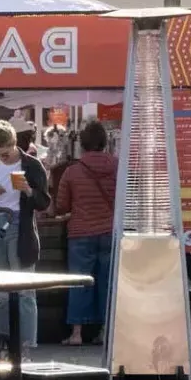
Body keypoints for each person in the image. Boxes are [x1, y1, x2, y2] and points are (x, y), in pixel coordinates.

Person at [0, 120, 51, 351]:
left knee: (25, 290)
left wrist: (27, 190)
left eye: (5, 154)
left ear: (14, 144)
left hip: (20, 226)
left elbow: (44, 202)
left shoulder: (32, 164)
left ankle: (26, 346)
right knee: (1, 293)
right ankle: (5, 346)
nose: (2, 159)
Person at [51, 121, 118, 346]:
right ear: (104, 142)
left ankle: (77, 334)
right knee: (108, 283)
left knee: (80, 282)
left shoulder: (73, 171)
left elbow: (61, 206)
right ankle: (106, 331)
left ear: (82, 144)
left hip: (80, 233)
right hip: (110, 231)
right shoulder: (118, 166)